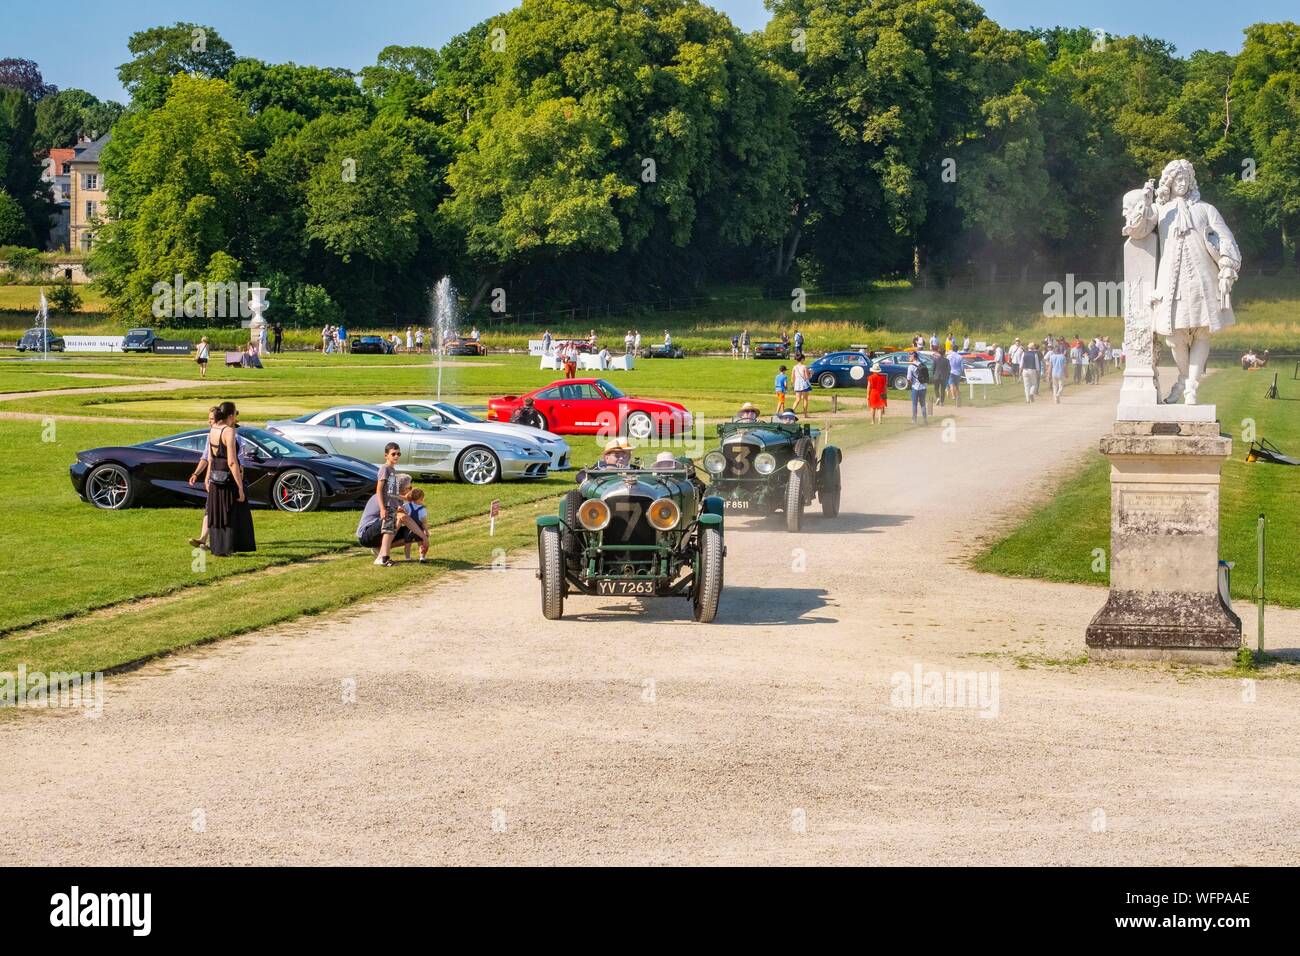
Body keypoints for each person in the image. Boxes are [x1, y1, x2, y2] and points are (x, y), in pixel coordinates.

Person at [204, 402, 256, 557]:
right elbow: (232, 461)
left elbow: (211, 457)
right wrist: (240, 486)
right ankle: (229, 546)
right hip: (228, 477)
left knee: (217, 511)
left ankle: (218, 547)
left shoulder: (213, 429)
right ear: (231, 416)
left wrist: (207, 477)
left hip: (215, 476)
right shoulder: (228, 431)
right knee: (231, 511)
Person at [356, 471, 426, 565]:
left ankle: (379, 549)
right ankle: (381, 558)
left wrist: (421, 533)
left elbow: (410, 520)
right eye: (409, 488)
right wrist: (424, 536)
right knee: (397, 517)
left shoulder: (399, 499)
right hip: (367, 534)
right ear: (400, 489)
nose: (410, 490)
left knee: (415, 532)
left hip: (382, 530)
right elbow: (402, 517)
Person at [403, 487, 429, 562]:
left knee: (407, 544)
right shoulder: (422, 509)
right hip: (419, 528)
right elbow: (424, 522)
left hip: (408, 528)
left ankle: (407, 558)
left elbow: (402, 510)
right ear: (421, 498)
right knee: (421, 543)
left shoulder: (407, 505)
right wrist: (426, 531)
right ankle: (422, 557)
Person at [906, 352, 928, 424]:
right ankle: (925, 419)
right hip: (923, 387)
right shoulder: (922, 364)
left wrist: (911, 384)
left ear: (913, 357)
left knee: (914, 404)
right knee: (923, 404)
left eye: (910, 356)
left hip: (915, 387)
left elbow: (909, 378)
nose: (909, 357)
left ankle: (914, 420)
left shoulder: (911, 366)